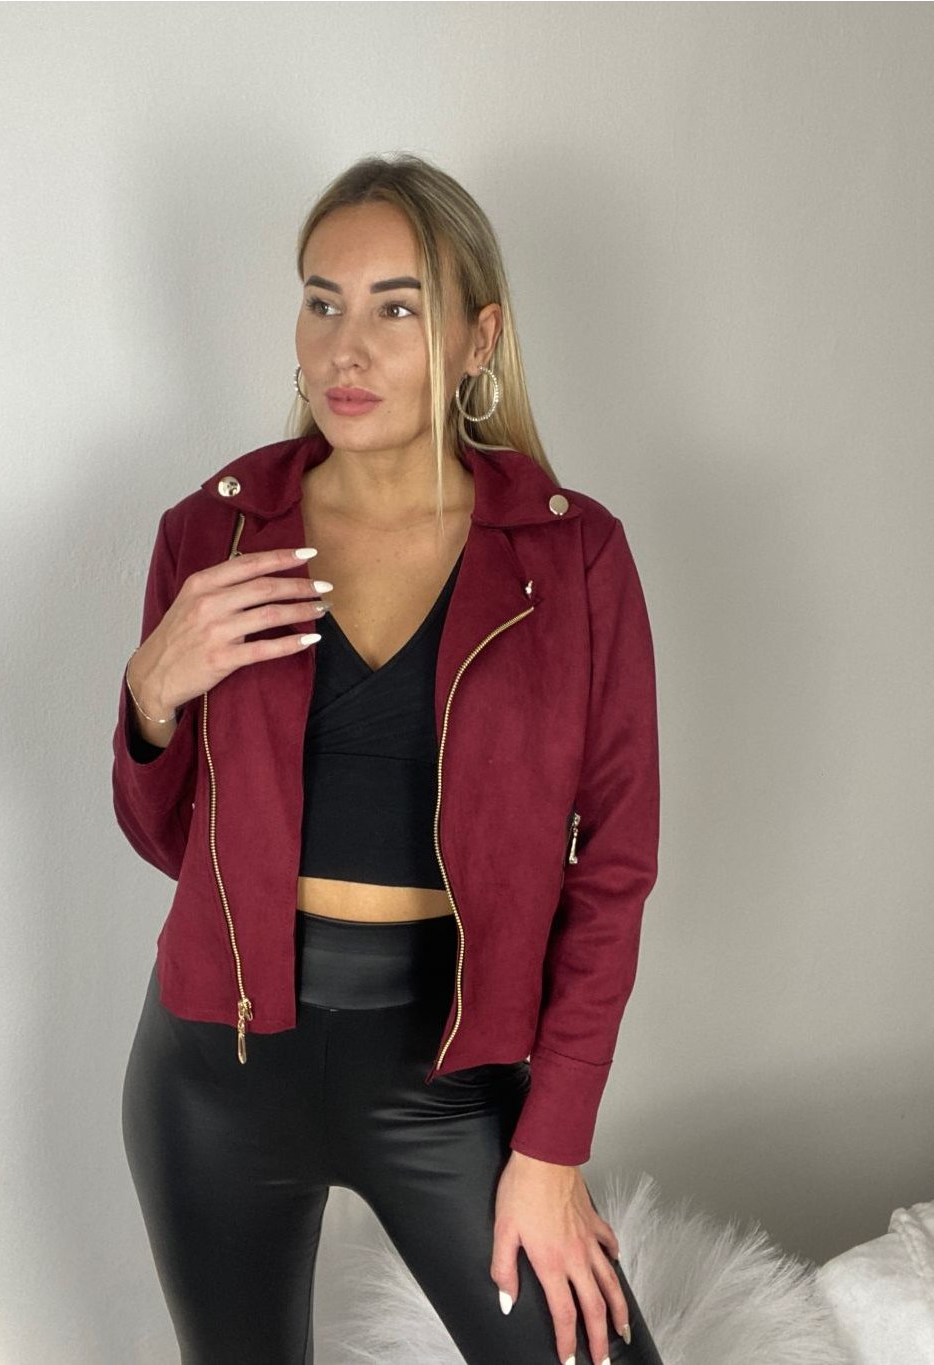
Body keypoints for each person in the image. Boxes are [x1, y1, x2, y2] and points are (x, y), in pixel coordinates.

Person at [115, 153, 663, 1365]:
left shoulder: (572, 561)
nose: (345, 348)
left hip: (446, 1074)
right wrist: (150, 698)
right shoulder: (214, 533)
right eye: (321, 303)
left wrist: (551, 1148)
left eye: (395, 308)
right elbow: (167, 841)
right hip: (214, 1072)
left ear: (478, 339)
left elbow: (613, 871)